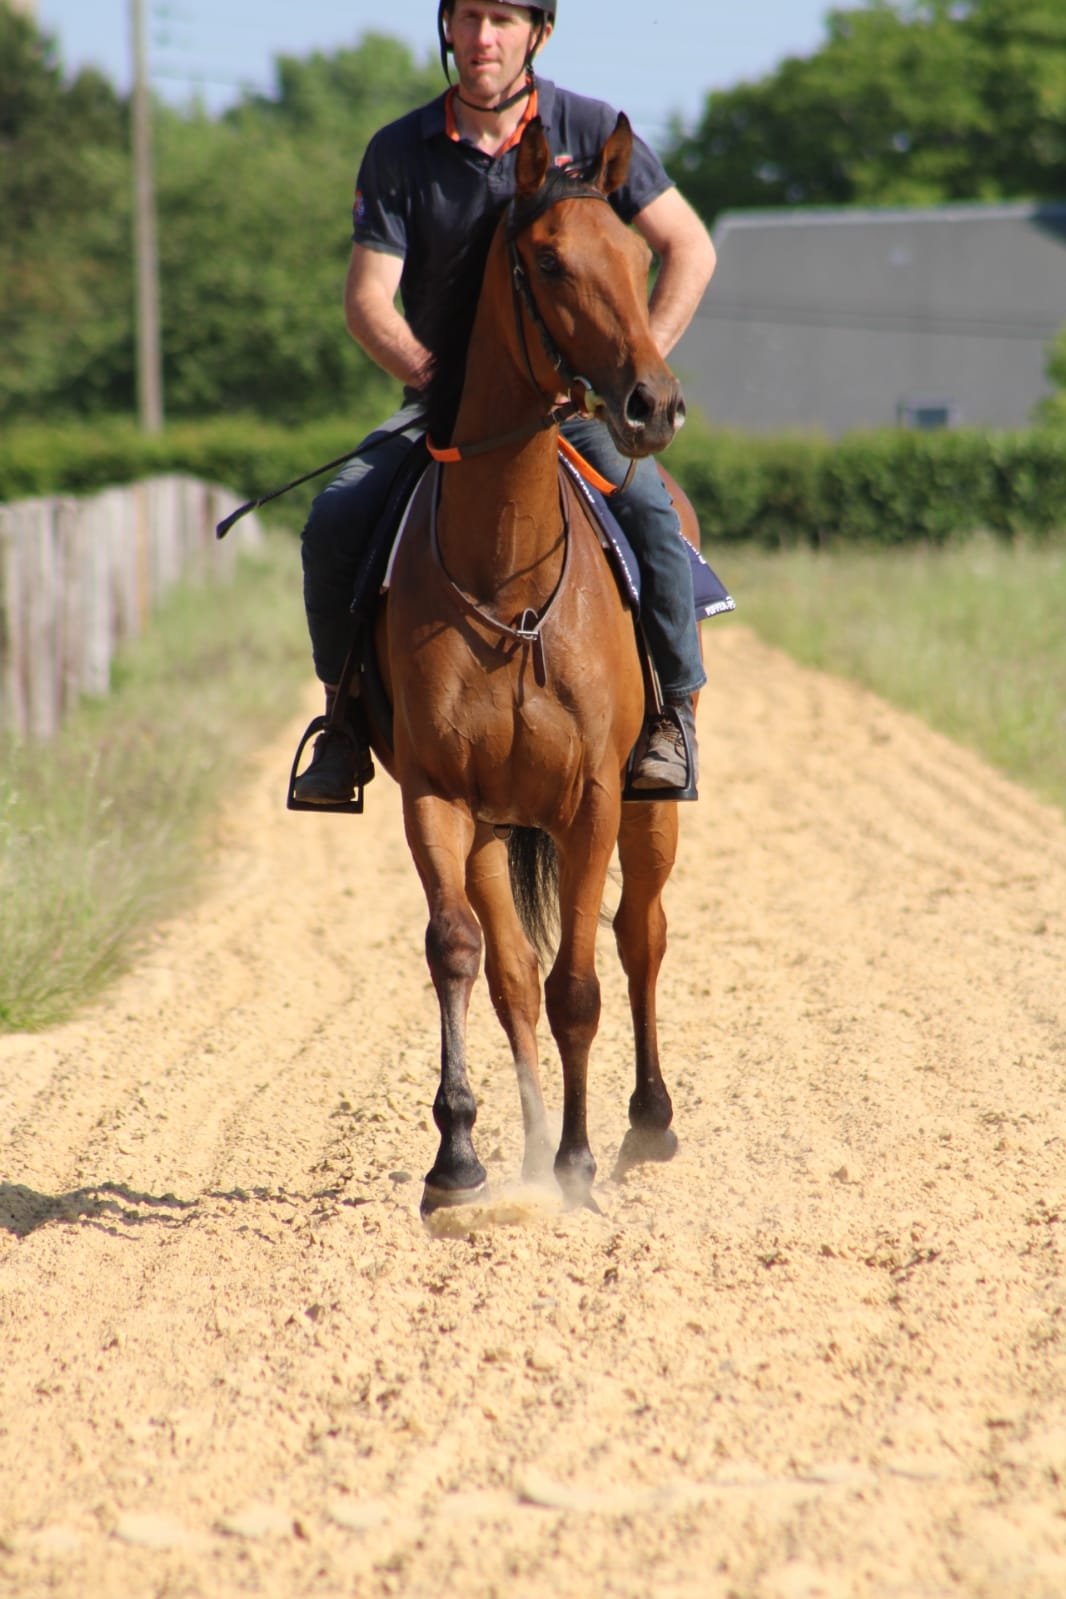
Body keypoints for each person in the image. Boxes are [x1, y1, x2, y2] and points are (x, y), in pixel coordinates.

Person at [295, 0, 717, 804]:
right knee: (334, 521)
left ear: (539, 34)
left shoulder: (591, 128)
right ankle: (343, 728)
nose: (482, 38)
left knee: (653, 512)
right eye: (467, 17)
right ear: (447, 28)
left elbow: (688, 247)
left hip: (571, 411)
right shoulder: (399, 151)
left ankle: (673, 719)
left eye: (502, 18)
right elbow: (368, 299)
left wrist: (633, 372)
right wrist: (435, 380)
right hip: (440, 407)